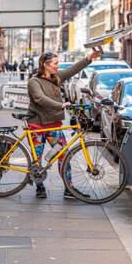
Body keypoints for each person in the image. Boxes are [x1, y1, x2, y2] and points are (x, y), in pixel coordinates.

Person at [26, 49, 101, 199]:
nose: (57, 66)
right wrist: (60, 105)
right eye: (55, 63)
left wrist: (89, 58)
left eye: (57, 63)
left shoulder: (56, 78)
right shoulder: (34, 82)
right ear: (45, 65)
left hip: (54, 125)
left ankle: (69, 189)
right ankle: (39, 187)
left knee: (64, 156)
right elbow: (40, 99)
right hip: (37, 126)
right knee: (37, 160)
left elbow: (73, 69)